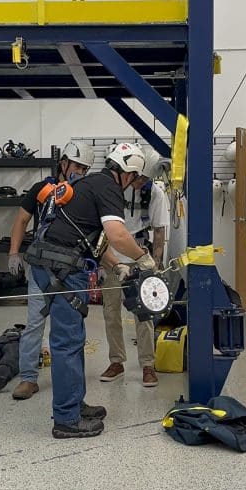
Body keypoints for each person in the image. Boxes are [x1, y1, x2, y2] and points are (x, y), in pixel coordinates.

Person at [26, 142, 155, 439]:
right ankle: (66, 419)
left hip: (51, 264)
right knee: (67, 342)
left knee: (73, 339)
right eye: (134, 178)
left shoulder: (91, 183)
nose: (133, 183)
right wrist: (142, 257)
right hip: (62, 271)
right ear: (128, 173)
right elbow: (117, 235)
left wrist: (116, 266)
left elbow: (91, 241)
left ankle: (74, 403)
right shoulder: (109, 188)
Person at [8, 140, 95, 401]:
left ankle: (68, 383)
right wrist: (13, 252)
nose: (79, 172)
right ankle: (28, 378)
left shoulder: (83, 194)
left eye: (84, 169)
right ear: (63, 163)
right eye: (76, 166)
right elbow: (21, 220)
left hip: (71, 270)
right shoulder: (41, 189)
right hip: (41, 267)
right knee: (35, 322)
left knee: (69, 328)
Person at [99, 148, 170, 388]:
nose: (139, 182)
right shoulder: (112, 188)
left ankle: (148, 364)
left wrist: (155, 264)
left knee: (144, 313)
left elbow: (159, 231)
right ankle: (116, 361)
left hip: (140, 257)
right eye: (137, 177)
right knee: (111, 312)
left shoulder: (155, 193)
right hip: (111, 257)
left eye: (144, 179)